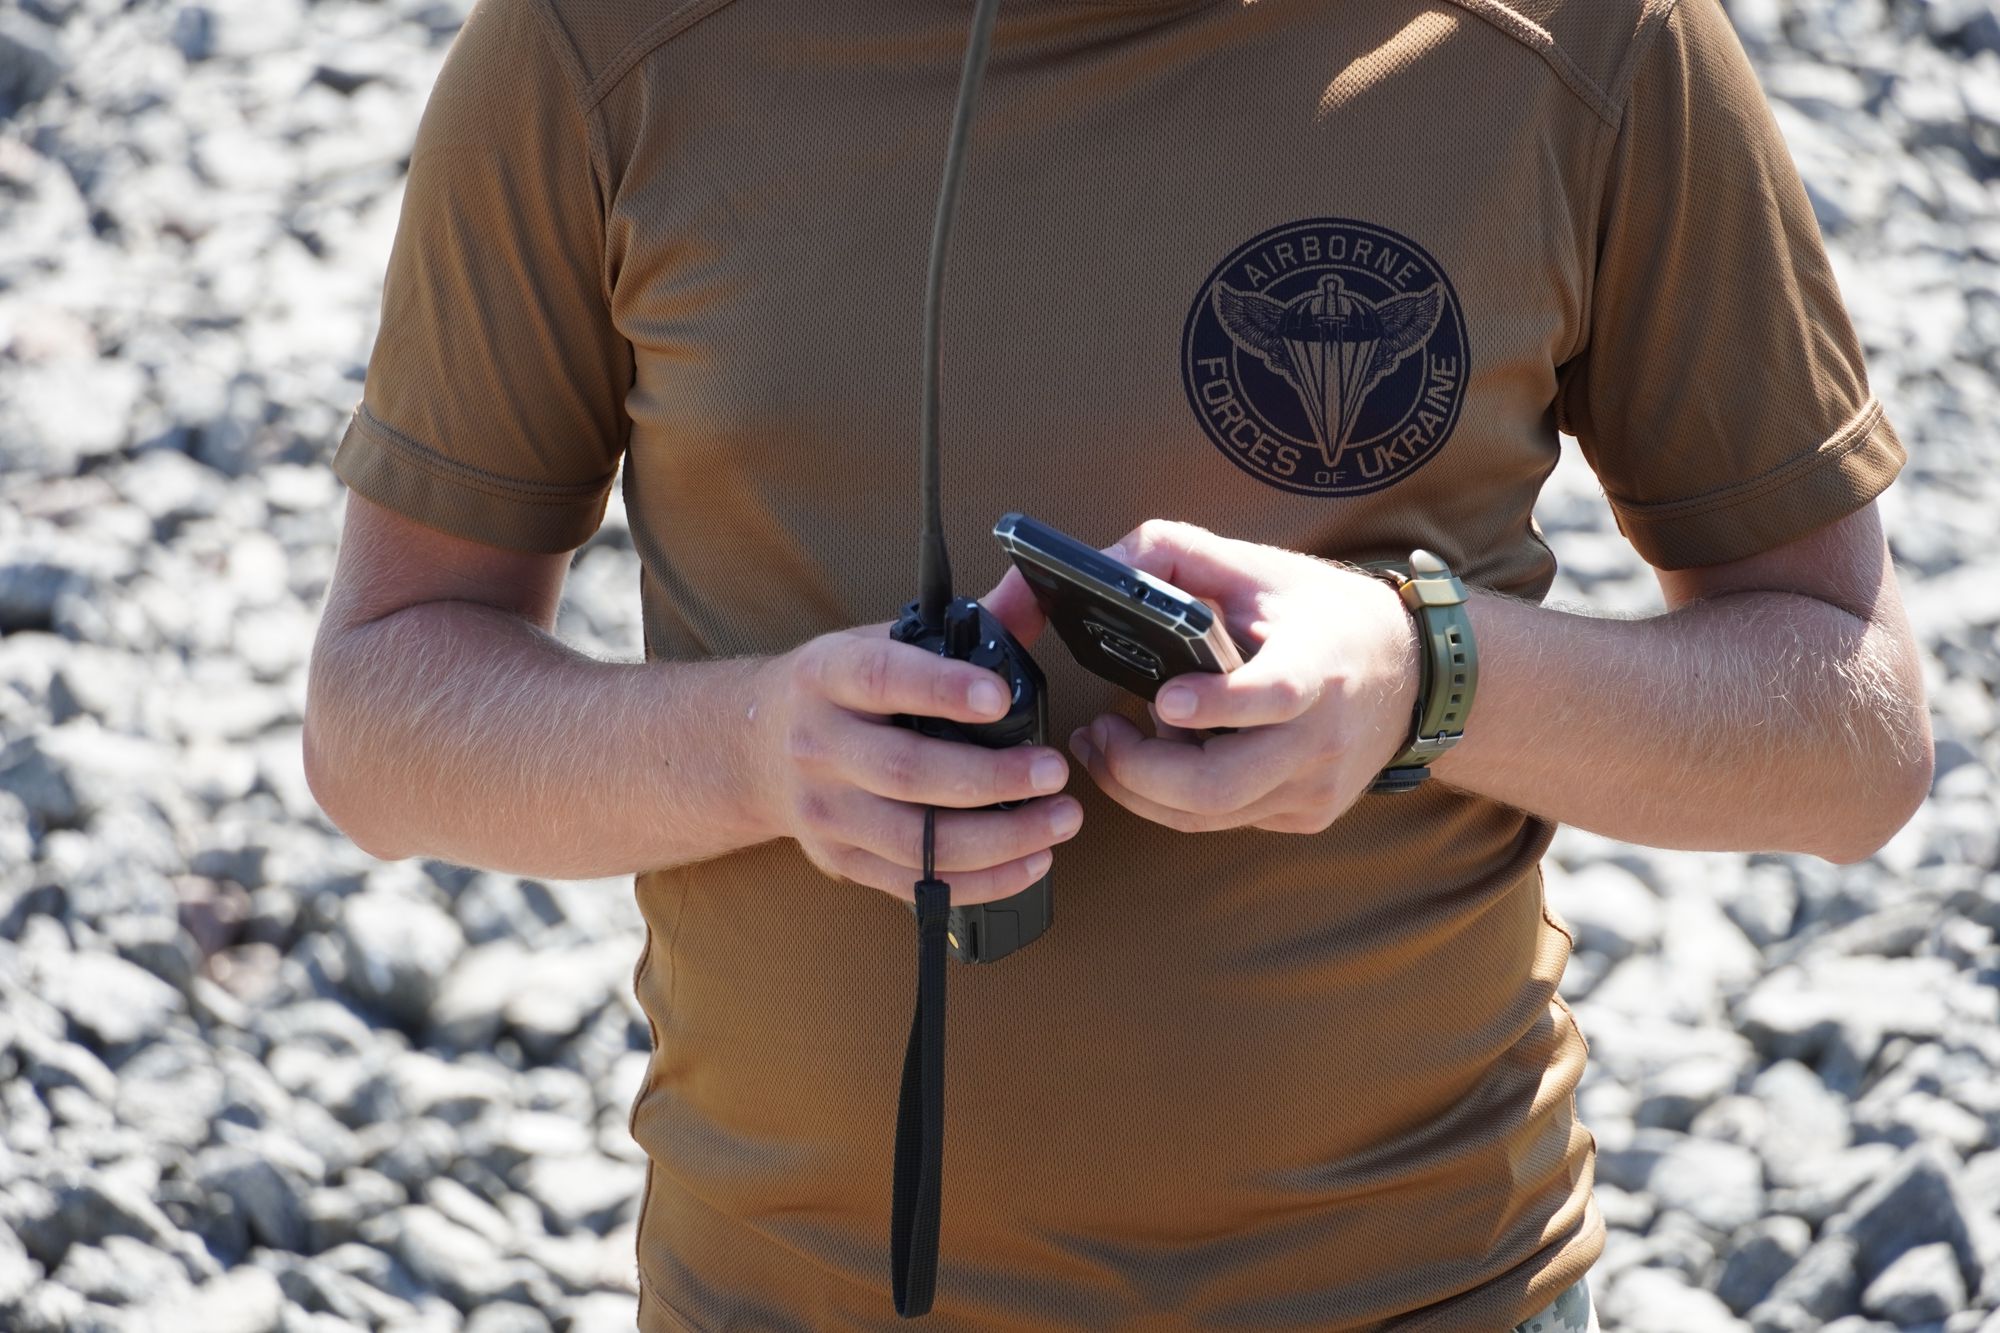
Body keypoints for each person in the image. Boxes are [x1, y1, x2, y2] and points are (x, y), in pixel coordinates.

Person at [302, 0, 1934, 1326]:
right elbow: (378, 713)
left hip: (1435, 1290)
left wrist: (1426, 671)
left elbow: (1854, 735)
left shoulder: (1592, 38)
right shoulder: (597, 45)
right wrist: (751, 749)